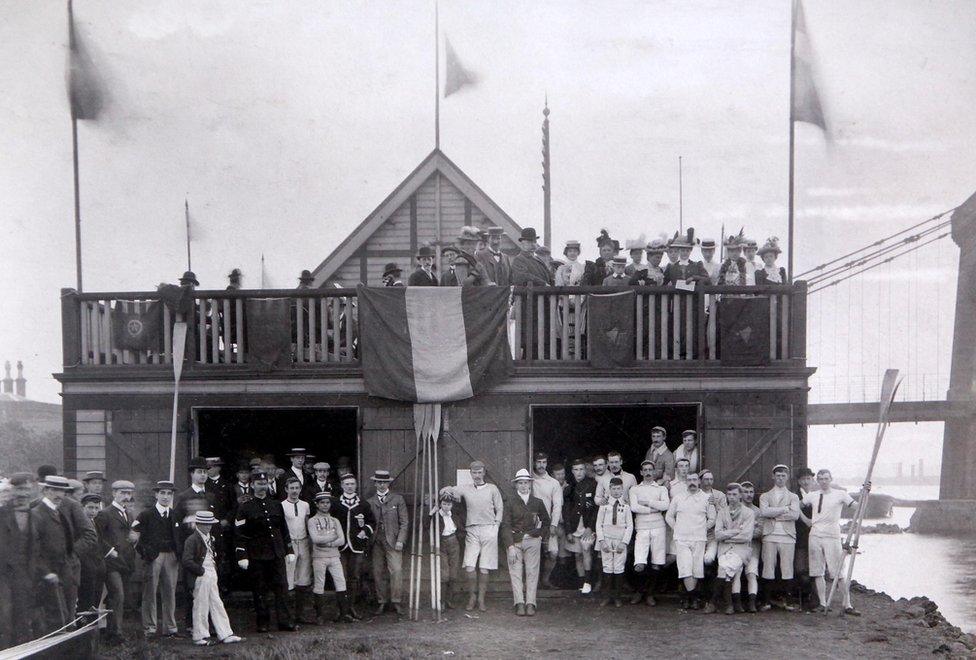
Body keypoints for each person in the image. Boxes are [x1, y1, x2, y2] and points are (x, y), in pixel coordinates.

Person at [234, 471, 298, 633]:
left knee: (282, 588)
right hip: (257, 554)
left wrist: (289, 549)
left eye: (265, 484)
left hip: (276, 552)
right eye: (259, 483)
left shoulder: (276, 505)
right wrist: (242, 555)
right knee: (260, 589)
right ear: (253, 485)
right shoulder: (245, 507)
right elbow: (239, 533)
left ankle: (284, 621)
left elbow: (283, 529)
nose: (262, 486)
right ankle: (263, 622)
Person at [440, 460, 504, 612]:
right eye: (474, 473)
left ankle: (481, 599)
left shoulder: (492, 488)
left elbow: (500, 508)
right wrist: (448, 490)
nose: (477, 475)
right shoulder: (465, 488)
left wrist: (496, 526)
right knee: (469, 566)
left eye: (479, 472)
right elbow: (444, 491)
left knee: (484, 568)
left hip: (489, 529)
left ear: (484, 473)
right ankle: (472, 597)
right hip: (472, 530)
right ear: (471, 474)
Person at [801, 469, 867, 616]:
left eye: (826, 478)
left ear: (831, 479)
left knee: (837, 572)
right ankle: (823, 603)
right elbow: (797, 506)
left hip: (832, 536)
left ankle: (847, 605)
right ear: (817, 481)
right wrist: (806, 520)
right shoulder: (812, 496)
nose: (823, 481)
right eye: (821, 479)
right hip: (815, 535)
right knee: (817, 571)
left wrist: (864, 495)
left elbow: (859, 507)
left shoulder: (840, 494)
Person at [183, 511, 243, 646]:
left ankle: (225, 633)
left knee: (217, 603)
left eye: (210, 524)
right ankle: (200, 636)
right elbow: (187, 560)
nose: (209, 526)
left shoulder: (210, 538)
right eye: (205, 524)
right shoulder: (192, 539)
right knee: (200, 604)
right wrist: (201, 570)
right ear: (198, 524)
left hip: (211, 572)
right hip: (200, 575)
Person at [132, 480, 181, 638]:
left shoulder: (175, 515)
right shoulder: (146, 515)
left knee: (170, 592)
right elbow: (133, 536)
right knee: (150, 592)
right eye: (162, 493)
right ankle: (150, 628)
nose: (166, 497)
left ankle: (170, 628)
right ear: (156, 494)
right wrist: (145, 552)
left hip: (171, 557)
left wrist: (177, 552)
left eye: (169, 494)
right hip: (154, 557)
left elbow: (180, 537)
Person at [31, 476, 77, 634]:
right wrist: (46, 572)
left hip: (63, 570)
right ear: (45, 491)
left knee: (65, 616)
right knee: (53, 619)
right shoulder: (37, 514)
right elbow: (34, 549)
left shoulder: (58, 512)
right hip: (47, 575)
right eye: (55, 490)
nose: (59, 494)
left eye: (62, 491)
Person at [502, 469, 551, 616]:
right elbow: (505, 525)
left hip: (532, 540)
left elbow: (547, 522)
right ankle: (519, 603)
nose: (523, 486)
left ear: (530, 484)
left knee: (532, 572)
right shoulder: (510, 502)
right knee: (516, 573)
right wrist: (510, 546)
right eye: (520, 483)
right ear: (516, 485)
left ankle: (531, 603)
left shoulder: (537, 502)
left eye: (526, 483)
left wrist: (540, 535)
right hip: (515, 541)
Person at [665, 472, 715, 610]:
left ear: (699, 482)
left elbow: (712, 518)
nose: (692, 482)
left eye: (694, 480)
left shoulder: (707, 498)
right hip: (682, 539)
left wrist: (702, 529)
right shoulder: (678, 498)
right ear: (686, 482)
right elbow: (669, 516)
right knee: (685, 567)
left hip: (699, 538)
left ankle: (688, 598)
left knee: (696, 569)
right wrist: (677, 528)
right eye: (689, 480)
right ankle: (692, 597)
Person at [95, 480, 136, 644]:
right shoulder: (105, 513)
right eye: (122, 493)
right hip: (112, 563)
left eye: (129, 494)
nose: (126, 497)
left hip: (126, 562)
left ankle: (112, 631)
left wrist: (134, 540)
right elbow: (97, 536)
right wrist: (110, 551)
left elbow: (129, 536)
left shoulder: (128, 514)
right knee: (117, 595)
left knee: (119, 597)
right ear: (114, 494)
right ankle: (115, 634)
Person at [308, 492, 357, 623]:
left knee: (341, 582)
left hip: (335, 556)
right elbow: (315, 539)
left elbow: (341, 540)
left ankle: (344, 613)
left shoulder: (335, 520)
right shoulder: (312, 521)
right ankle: (319, 615)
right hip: (319, 557)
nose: (325, 505)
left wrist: (327, 542)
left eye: (327, 502)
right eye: (322, 503)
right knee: (319, 584)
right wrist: (332, 538)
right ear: (317, 504)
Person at [0, 473, 36, 648]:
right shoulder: (1, 513)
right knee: (5, 618)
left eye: (27, 490)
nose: (24, 494)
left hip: (24, 575)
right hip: (3, 575)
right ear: (12, 490)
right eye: (20, 489)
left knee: (23, 618)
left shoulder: (33, 514)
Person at [759, 464, 801, 611]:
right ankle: (766, 602)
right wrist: (784, 509)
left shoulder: (793, 497)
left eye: (783, 475)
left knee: (787, 567)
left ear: (787, 477)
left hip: (787, 536)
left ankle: (788, 601)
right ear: (773, 476)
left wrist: (774, 515)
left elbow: (795, 515)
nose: (781, 478)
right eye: (778, 475)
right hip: (770, 535)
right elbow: (764, 512)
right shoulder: (765, 496)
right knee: (768, 567)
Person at [367, 470, 409, 615]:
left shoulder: (397, 499)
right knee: (378, 572)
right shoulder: (370, 501)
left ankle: (396, 601)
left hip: (393, 541)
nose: (381, 485)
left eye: (384, 482)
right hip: (376, 542)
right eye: (379, 482)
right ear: (375, 483)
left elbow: (404, 522)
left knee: (396, 571)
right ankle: (381, 602)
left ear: (388, 483)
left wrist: (400, 540)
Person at [629, 459, 670, 606]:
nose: (647, 473)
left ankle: (650, 594)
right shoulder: (635, 489)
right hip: (642, 527)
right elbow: (634, 507)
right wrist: (653, 509)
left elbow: (666, 505)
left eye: (650, 470)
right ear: (641, 472)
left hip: (659, 527)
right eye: (644, 470)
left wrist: (648, 503)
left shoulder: (661, 489)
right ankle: (639, 592)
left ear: (654, 472)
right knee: (639, 562)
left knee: (656, 562)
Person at [711, 483, 756, 615]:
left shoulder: (749, 513)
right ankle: (728, 605)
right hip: (724, 548)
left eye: (735, 494)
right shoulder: (722, 512)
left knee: (723, 569)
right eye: (729, 494)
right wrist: (735, 531)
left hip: (741, 550)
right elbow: (718, 534)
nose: (732, 497)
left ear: (740, 495)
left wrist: (727, 535)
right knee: (725, 570)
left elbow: (746, 536)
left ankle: (714, 602)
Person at [332, 473, 373, 615]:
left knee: (354, 577)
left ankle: (351, 607)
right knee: (340, 576)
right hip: (340, 546)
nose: (350, 487)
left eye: (352, 484)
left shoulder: (363, 504)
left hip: (357, 546)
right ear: (342, 486)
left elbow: (371, 522)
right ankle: (341, 609)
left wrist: (365, 532)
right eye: (347, 484)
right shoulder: (335, 503)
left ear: (356, 485)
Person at [595, 477, 633, 607]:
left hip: (620, 540)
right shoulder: (604, 505)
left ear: (622, 489)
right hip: (607, 539)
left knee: (618, 567)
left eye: (618, 489)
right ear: (609, 489)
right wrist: (602, 541)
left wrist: (624, 542)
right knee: (607, 567)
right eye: (613, 489)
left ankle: (617, 597)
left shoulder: (626, 506)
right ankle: (606, 597)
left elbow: (630, 526)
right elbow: (598, 524)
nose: (616, 491)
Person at [563, 458, 598, 594]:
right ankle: (581, 582)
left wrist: (590, 527)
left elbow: (596, 508)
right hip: (574, 526)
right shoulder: (569, 487)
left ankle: (588, 582)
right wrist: (568, 531)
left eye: (581, 469)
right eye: (576, 470)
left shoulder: (593, 484)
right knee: (578, 555)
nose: (579, 472)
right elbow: (565, 511)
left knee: (586, 552)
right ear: (572, 471)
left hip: (588, 526)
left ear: (585, 470)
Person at [282, 477, 314, 624]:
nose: (294, 491)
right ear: (286, 489)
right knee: (289, 578)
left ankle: (300, 614)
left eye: (297, 488)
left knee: (304, 577)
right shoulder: (281, 505)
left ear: (300, 489)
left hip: (304, 542)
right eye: (292, 488)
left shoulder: (305, 505)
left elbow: (307, 523)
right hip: (290, 544)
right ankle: (289, 616)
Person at [530, 452, 563, 589]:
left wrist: (554, 524)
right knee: (532, 554)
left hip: (548, 523)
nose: (541, 465)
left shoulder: (553, 483)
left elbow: (557, 506)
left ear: (547, 463)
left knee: (553, 553)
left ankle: (545, 580)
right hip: (532, 523)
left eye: (544, 462)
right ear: (534, 463)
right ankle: (533, 583)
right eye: (538, 462)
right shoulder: (529, 479)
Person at [431, 493, 463, 610]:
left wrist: (459, 538)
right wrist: (431, 514)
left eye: (449, 504)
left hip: (454, 543)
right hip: (441, 544)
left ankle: (449, 600)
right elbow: (425, 525)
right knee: (444, 574)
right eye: (444, 504)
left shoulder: (454, 515)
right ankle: (442, 601)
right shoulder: (436, 516)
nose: (446, 507)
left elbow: (461, 528)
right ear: (440, 504)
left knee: (453, 574)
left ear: (452, 505)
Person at [739, 481, 763, 612]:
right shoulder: (735, 509)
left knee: (752, 573)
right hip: (736, 548)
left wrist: (743, 532)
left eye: (751, 492)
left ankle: (752, 603)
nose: (749, 495)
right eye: (745, 492)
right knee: (734, 574)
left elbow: (759, 531)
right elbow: (732, 529)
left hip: (752, 548)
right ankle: (734, 602)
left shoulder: (757, 511)